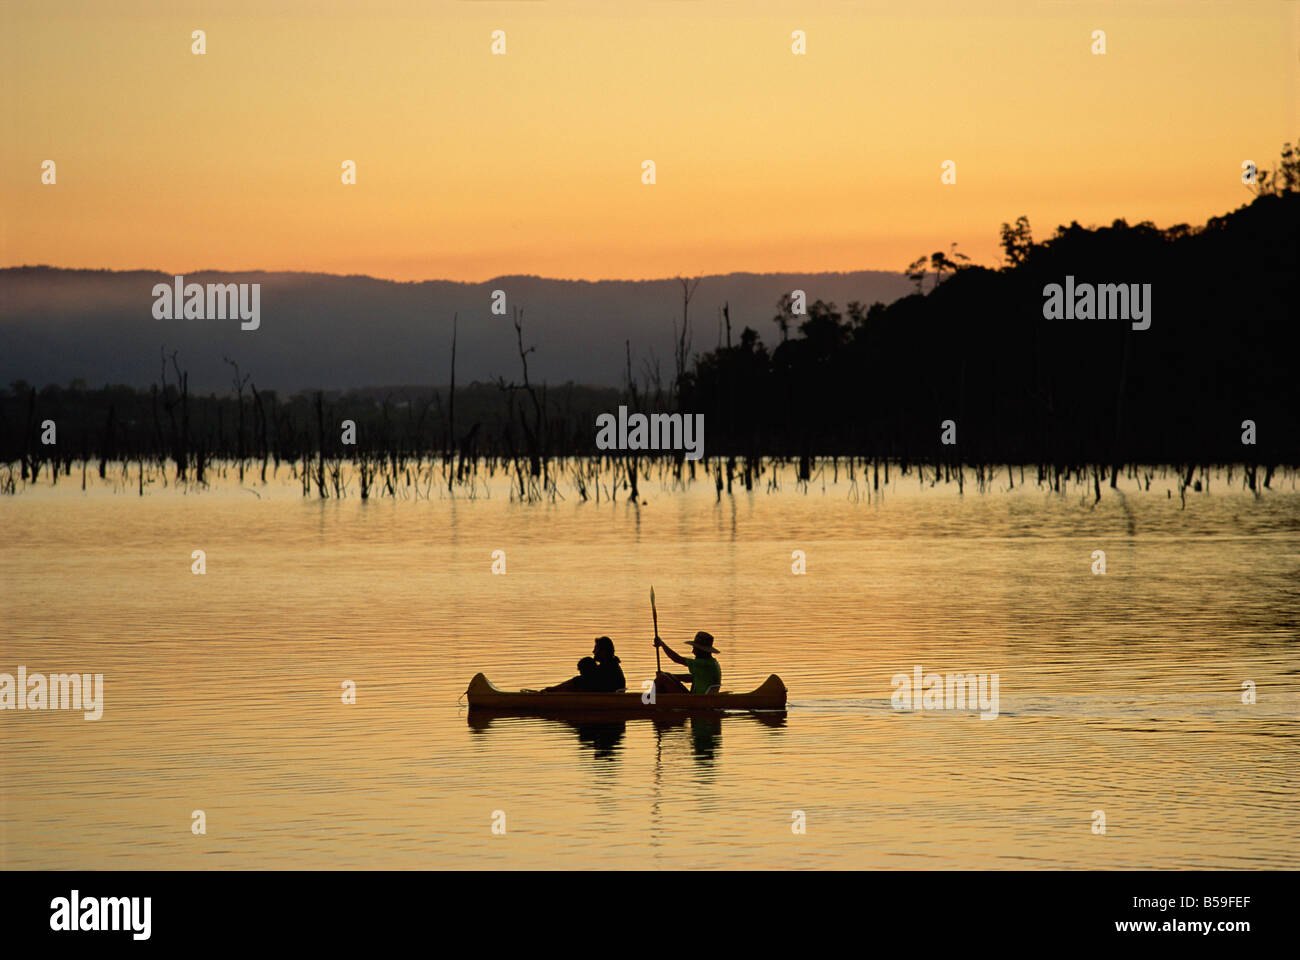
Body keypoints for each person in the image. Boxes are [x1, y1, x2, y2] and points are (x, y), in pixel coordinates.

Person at [542, 636, 626, 692]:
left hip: (611, 698)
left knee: (577, 684)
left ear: (603, 652)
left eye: (595, 649)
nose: (593, 652)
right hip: (609, 695)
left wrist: (553, 690)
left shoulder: (608, 668)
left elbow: (577, 681)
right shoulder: (610, 665)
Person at [653, 631, 721, 694]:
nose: (693, 652)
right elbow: (692, 678)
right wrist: (671, 676)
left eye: (695, 649)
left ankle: (649, 701)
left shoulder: (702, 663)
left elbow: (677, 659)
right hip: (695, 698)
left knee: (662, 677)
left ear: (702, 650)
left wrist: (662, 644)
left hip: (696, 700)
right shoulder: (712, 663)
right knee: (665, 675)